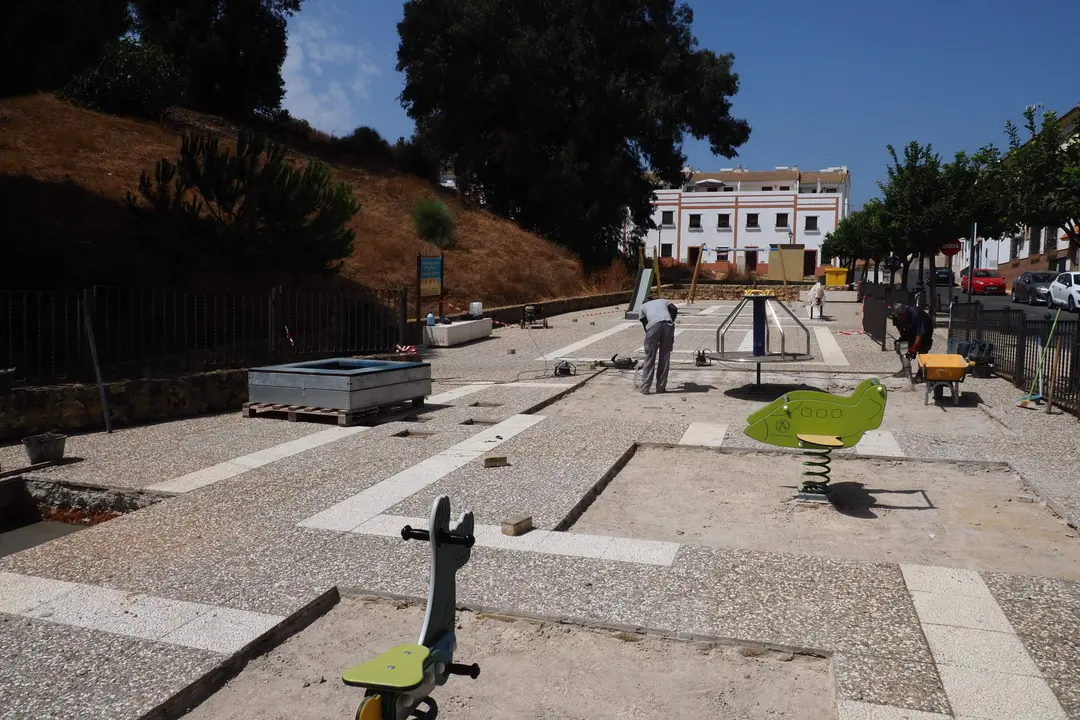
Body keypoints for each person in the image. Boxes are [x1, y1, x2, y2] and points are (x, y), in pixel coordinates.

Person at [637, 296, 678, 394]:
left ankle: (645, 388)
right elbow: (674, 308)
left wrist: (652, 341)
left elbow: (645, 325)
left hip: (653, 325)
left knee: (650, 357)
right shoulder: (663, 301)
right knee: (665, 357)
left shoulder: (643, 307)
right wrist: (671, 320)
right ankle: (661, 388)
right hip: (668, 325)